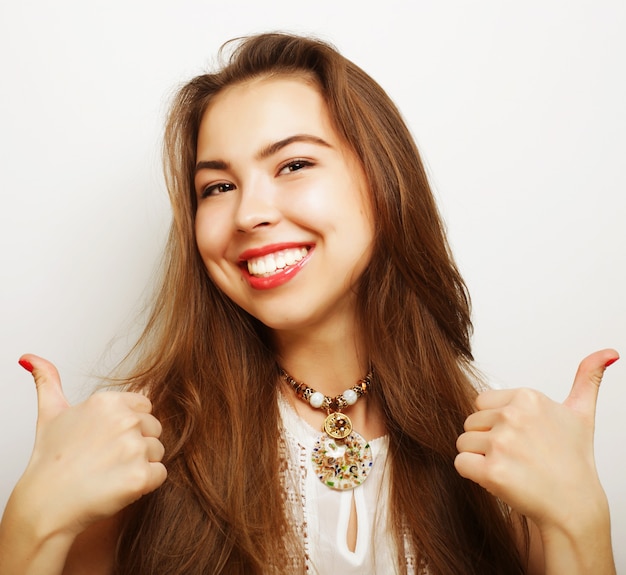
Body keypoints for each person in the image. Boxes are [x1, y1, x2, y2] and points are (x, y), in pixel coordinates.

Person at [0, 32, 618, 575]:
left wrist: (580, 520)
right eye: (217, 187)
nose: (250, 213)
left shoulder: (500, 456)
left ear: (382, 181)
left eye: (293, 164)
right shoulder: (138, 454)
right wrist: (33, 524)